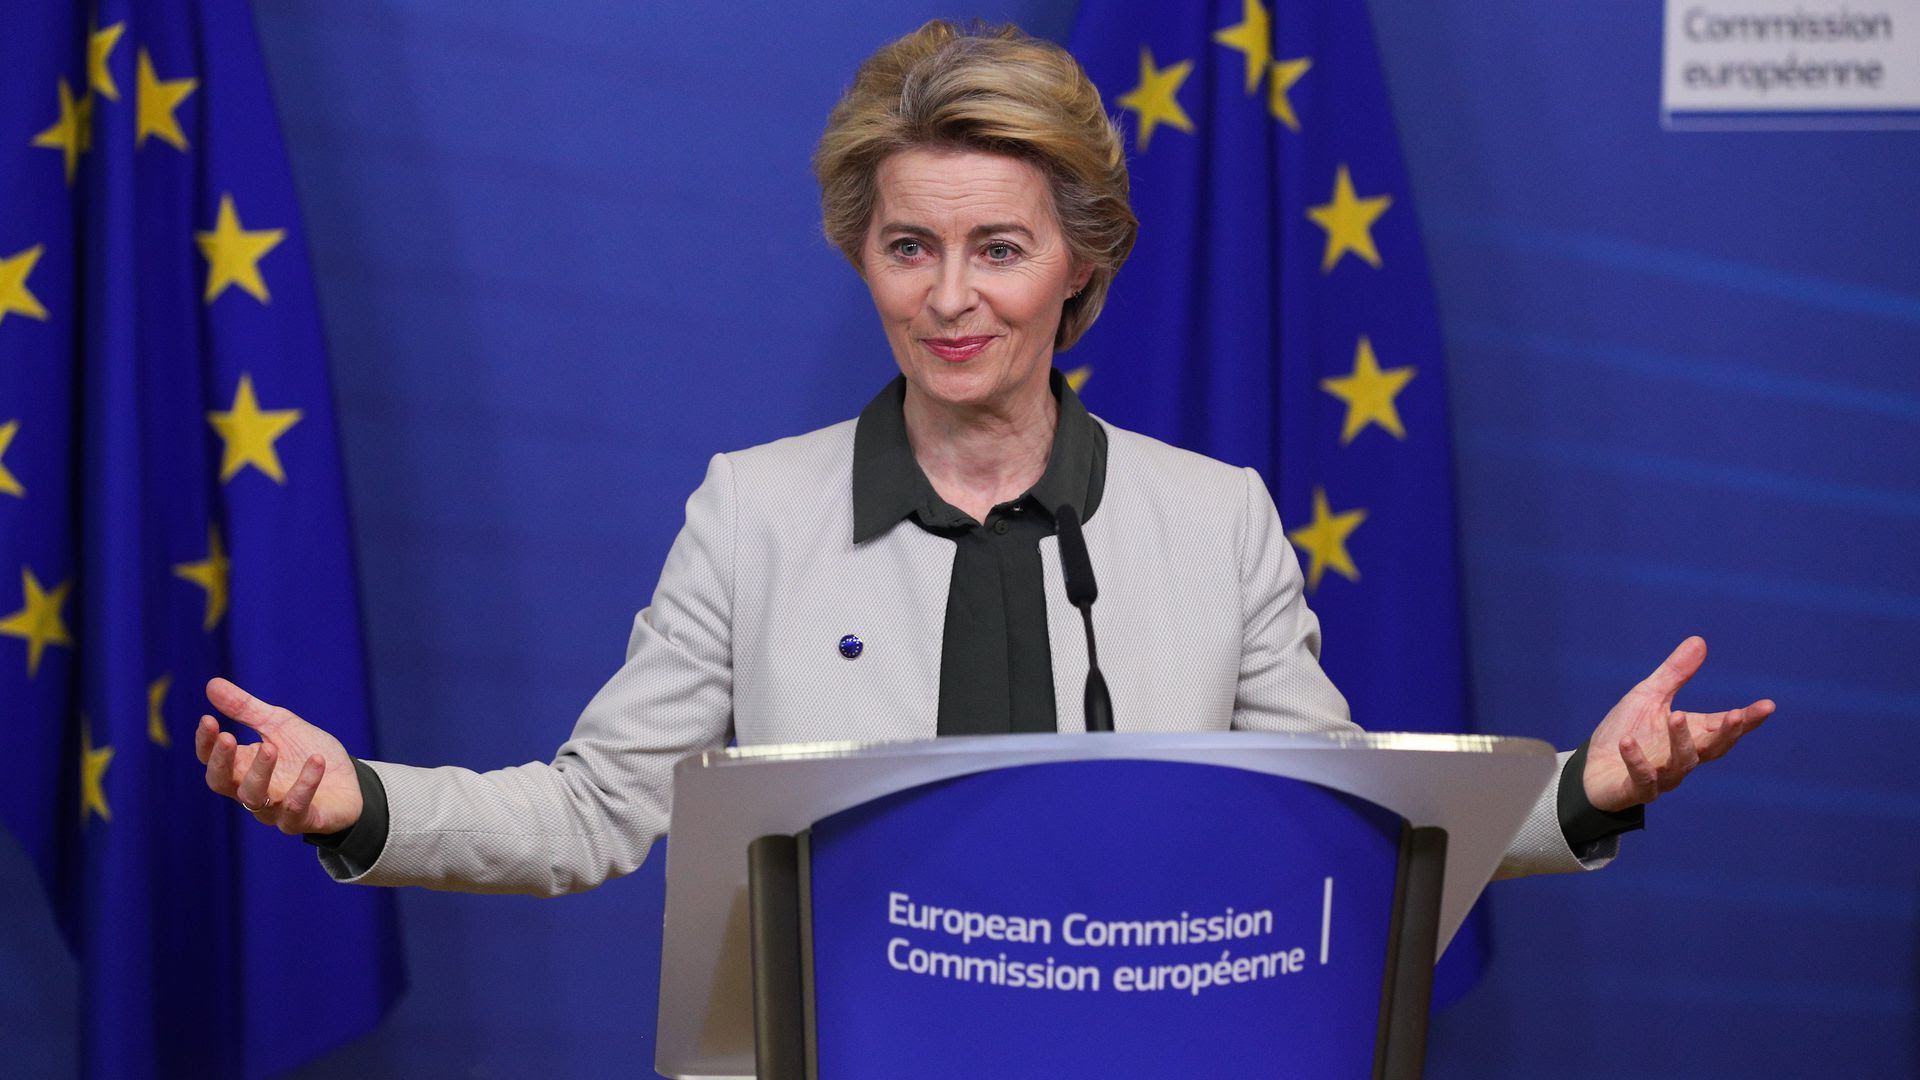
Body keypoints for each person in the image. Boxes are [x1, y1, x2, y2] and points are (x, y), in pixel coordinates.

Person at [194, 21, 1772, 893]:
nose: (950, 298)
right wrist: (359, 804)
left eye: (999, 248)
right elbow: (594, 810)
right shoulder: (755, 515)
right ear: (863, 255)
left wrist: (1583, 792)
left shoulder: (1213, 521)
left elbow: (1342, 821)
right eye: (909, 247)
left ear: (1078, 264)